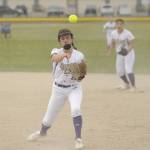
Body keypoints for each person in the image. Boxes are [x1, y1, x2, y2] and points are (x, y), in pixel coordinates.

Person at [27, 29, 87, 150]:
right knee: (48, 119)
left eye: (67, 37)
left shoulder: (79, 55)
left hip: (74, 88)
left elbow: (83, 71)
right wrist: (64, 54)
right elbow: (54, 59)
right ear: (59, 41)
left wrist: (81, 74)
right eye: (63, 38)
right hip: (58, 90)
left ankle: (78, 139)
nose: (65, 39)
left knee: (75, 109)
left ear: (72, 39)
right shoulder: (56, 51)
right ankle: (42, 132)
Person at [108, 18, 136, 91]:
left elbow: (132, 44)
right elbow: (113, 42)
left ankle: (133, 86)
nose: (119, 25)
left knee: (128, 68)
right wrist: (110, 50)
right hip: (119, 54)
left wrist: (127, 50)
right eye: (117, 24)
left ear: (123, 25)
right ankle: (127, 84)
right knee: (119, 71)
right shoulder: (113, 33)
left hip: (128, 53)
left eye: (120, 24)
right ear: (115, 25)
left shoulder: (128, 33)